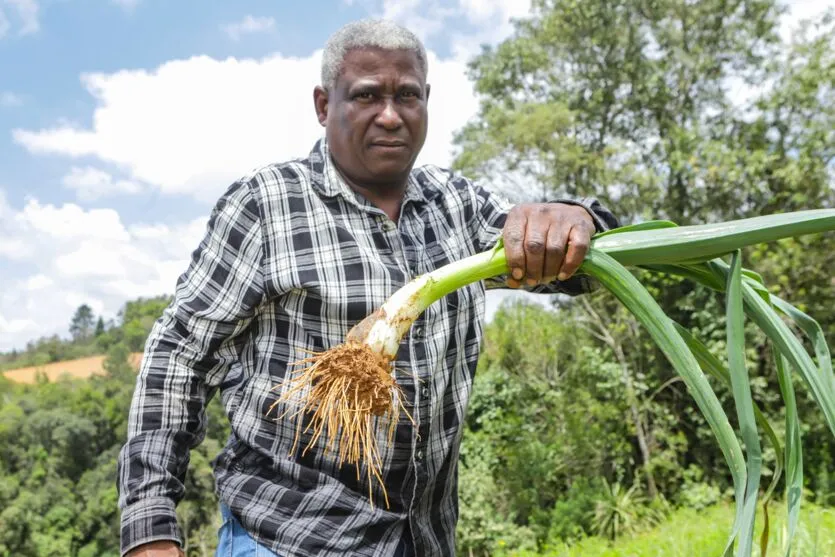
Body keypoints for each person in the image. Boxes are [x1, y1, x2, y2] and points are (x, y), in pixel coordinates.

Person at [117, 18, 618, 557]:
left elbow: (575, 269)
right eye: (366, 95)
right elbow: (179, 356)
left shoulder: (456, 204)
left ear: (426, 101)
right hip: (286, 539)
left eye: (407, 95)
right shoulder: (266, 205)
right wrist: (150, 528)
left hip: (424, 538)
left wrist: (575, 218)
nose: (390, 115)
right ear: (323, 105)